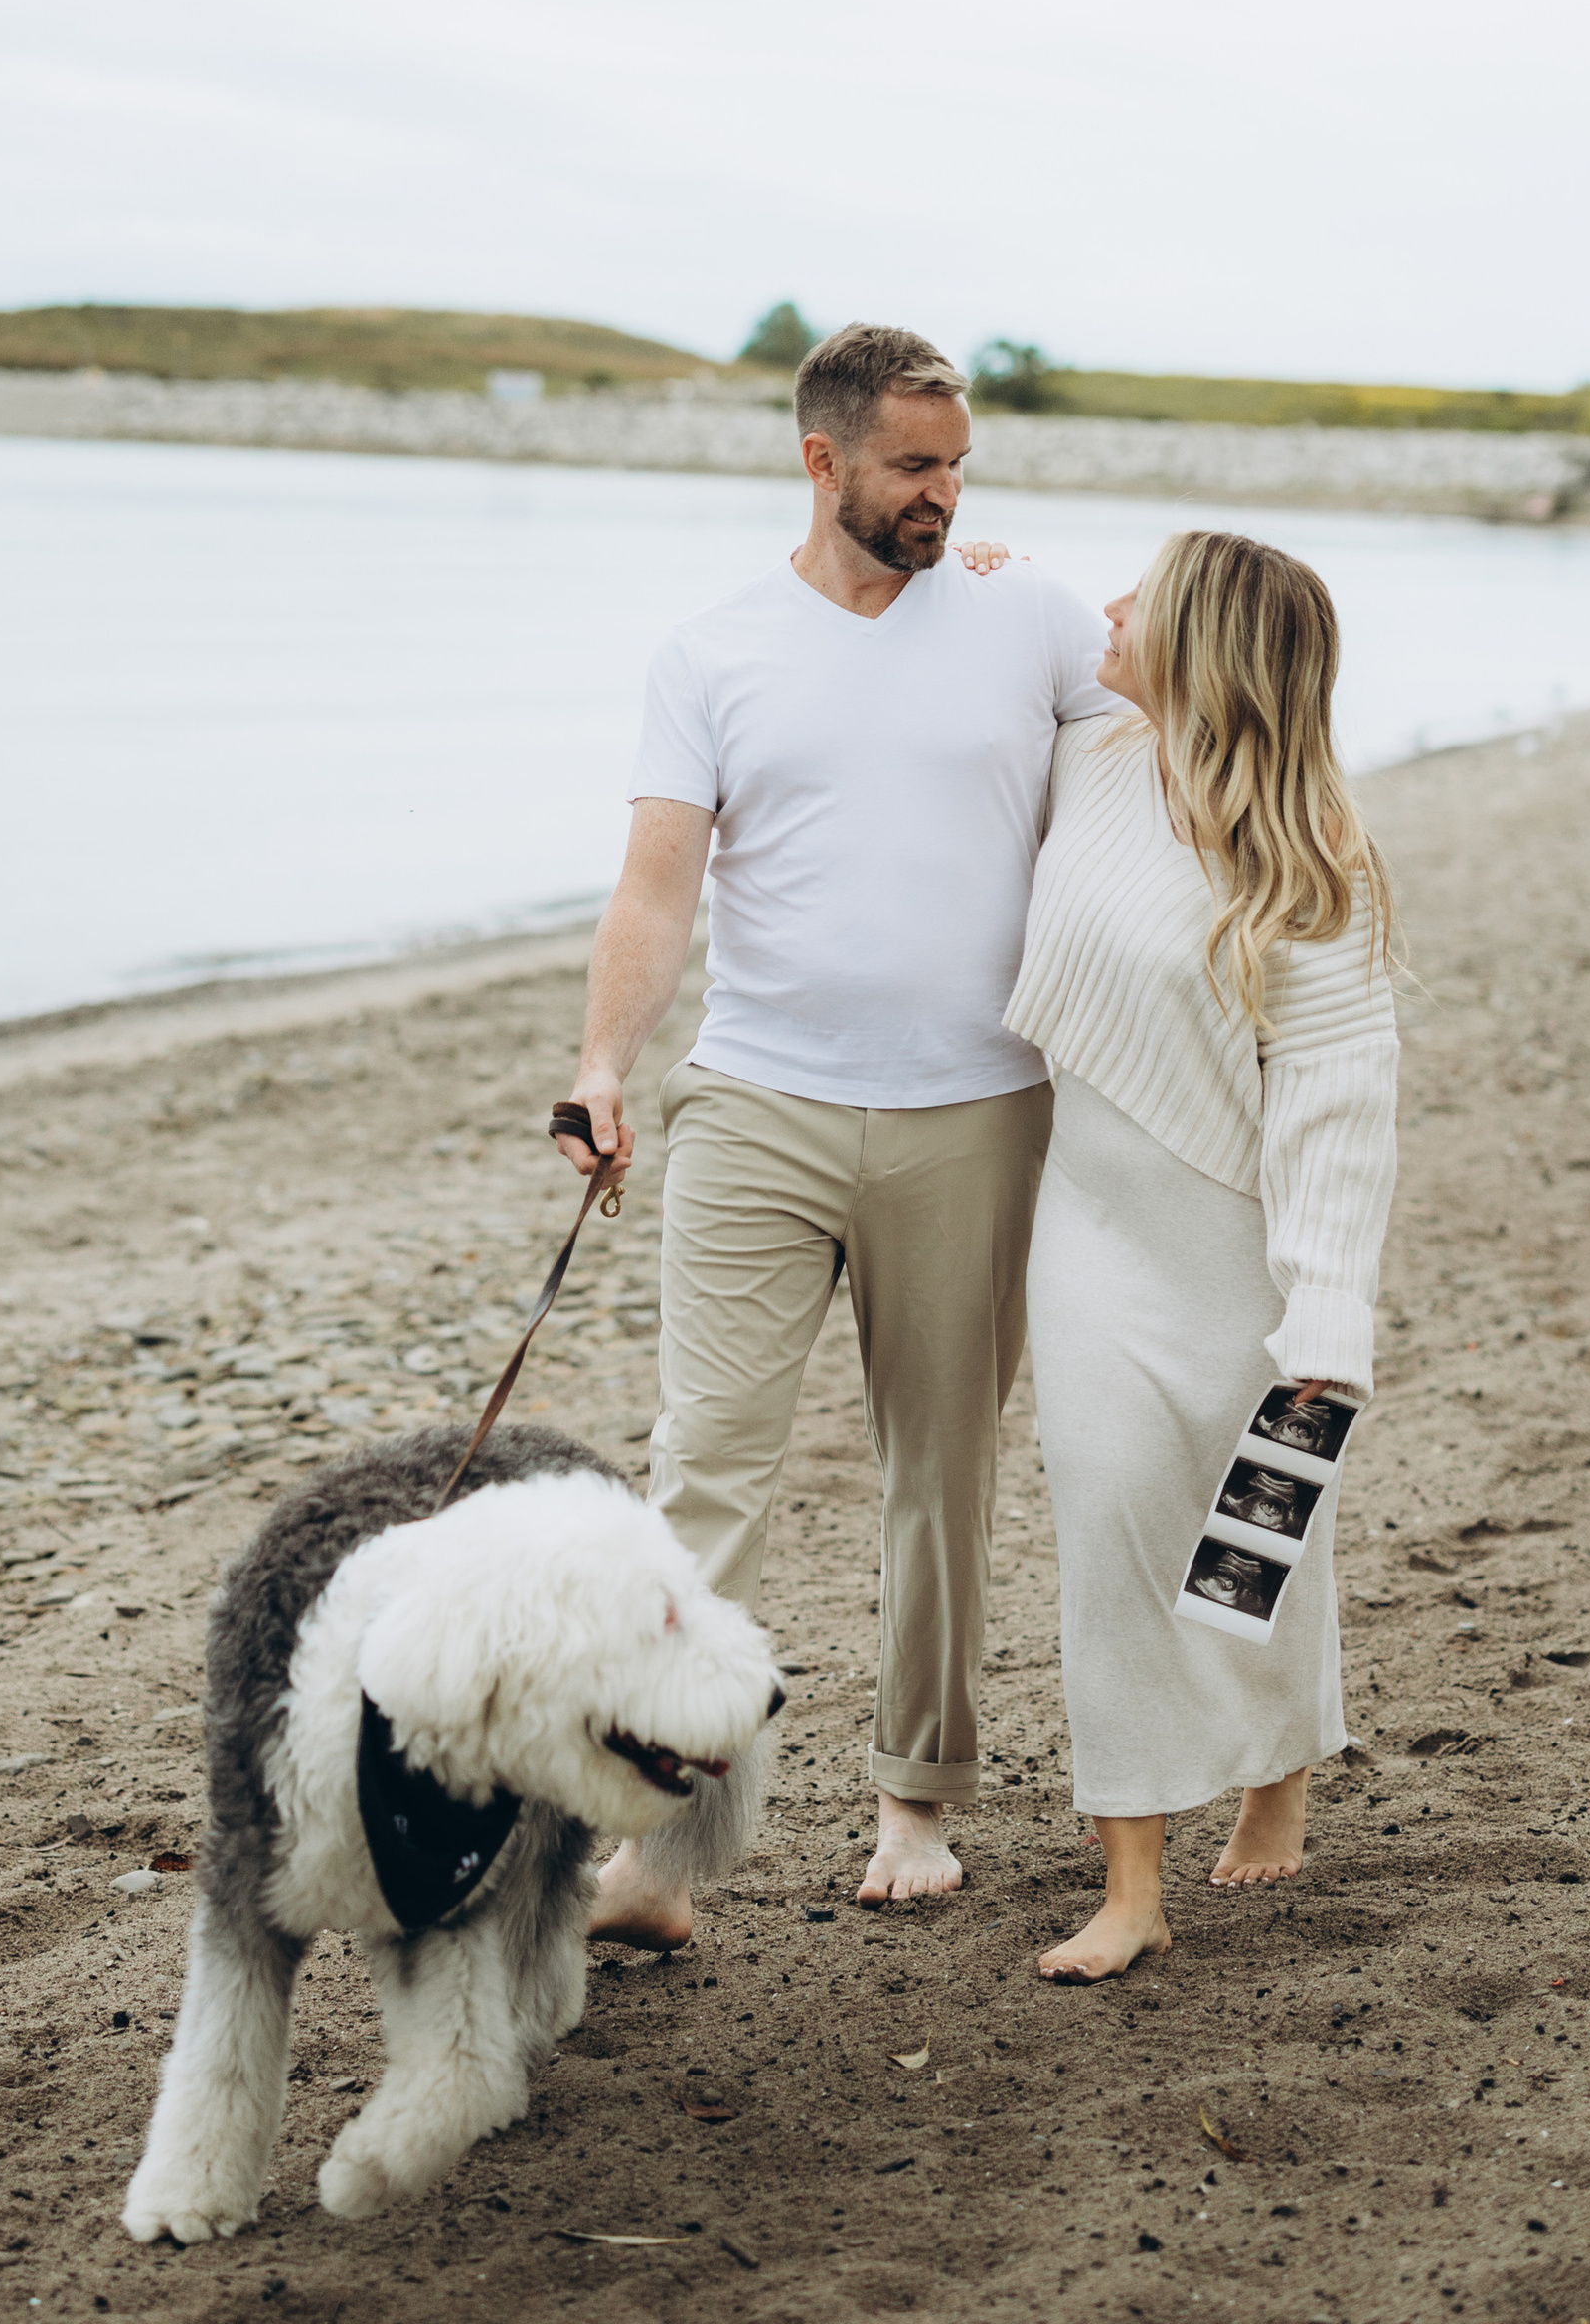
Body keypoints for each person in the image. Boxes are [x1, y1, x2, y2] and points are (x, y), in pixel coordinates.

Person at [556, 322, 1115, 1936]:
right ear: (824, 462)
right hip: (757, 1101)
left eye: (958, 465)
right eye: (913, 467)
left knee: (936, 1476)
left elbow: (1179, 712)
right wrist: (606, 1060)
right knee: (704, 1467)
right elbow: (657, 883)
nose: (944, 492)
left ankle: (913, 1804)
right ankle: (660, 1852)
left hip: (975, 1114)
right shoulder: (714, 652)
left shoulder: (1025, 613)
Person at [1001, 526, 1400, 1981]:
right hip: (1092, 1228)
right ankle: (1132, 1882)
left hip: (1246, 1249)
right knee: (1114, 1524)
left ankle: (1277, 1774)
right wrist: (970, 571)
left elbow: (1342, 1111)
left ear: (1204, 644)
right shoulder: (1091, 757)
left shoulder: (1310, 865)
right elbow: (985, 656)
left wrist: (1327, 1321)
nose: (1104, 609)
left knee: (1257, 1542)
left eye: (1140, 598)